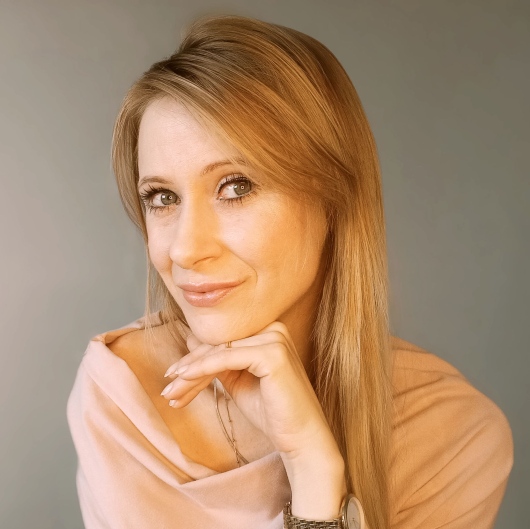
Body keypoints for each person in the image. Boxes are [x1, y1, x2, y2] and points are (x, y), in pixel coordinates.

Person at [66, 13, 513, 529]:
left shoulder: (452, 435)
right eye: (162, 197)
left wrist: (314, 470)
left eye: (236, 187)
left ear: (333, 201)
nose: (185, 249)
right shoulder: (122, 393)